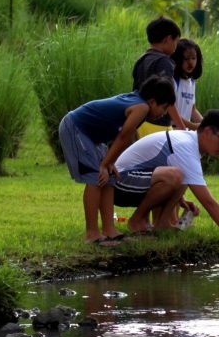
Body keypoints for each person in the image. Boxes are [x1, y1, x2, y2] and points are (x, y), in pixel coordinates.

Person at [113, 109, 219, 255]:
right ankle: (137, 221)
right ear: (207, 132)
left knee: (182, 176)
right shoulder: (186, 146)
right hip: (119, 183)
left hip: (135, 180)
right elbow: (208, 202)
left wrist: (181, 200)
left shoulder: (189, 142)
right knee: (175, 175)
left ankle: (163, 224)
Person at [58, 76, 176, 246]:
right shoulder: (141, 107)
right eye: (164, 108)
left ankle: (109, 230)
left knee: (110, 177)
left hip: (92, 137)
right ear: (152, 101)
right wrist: (105, 164)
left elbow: (123, 139)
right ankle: (91, 234)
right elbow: (123, 137)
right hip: (76, 127)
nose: (164, 114)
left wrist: (110, 163)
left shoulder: (139, 103)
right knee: (96, 177)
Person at [133, 16, 187, 137]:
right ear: (168, 39)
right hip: (158, 125)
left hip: (139, 122)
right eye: (176, 42)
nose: (176, 46)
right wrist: (182, 128)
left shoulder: (141, 60)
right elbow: (167, 98)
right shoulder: (164, 62)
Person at [171, 38, 204, 129]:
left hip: (184, 132)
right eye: (186, 59)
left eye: (193, 58)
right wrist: (192, 126)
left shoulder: (192, 82)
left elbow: (192, 110)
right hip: (171, 131)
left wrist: (206, 125)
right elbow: (169, 113)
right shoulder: (173, 81)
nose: (190, 62)